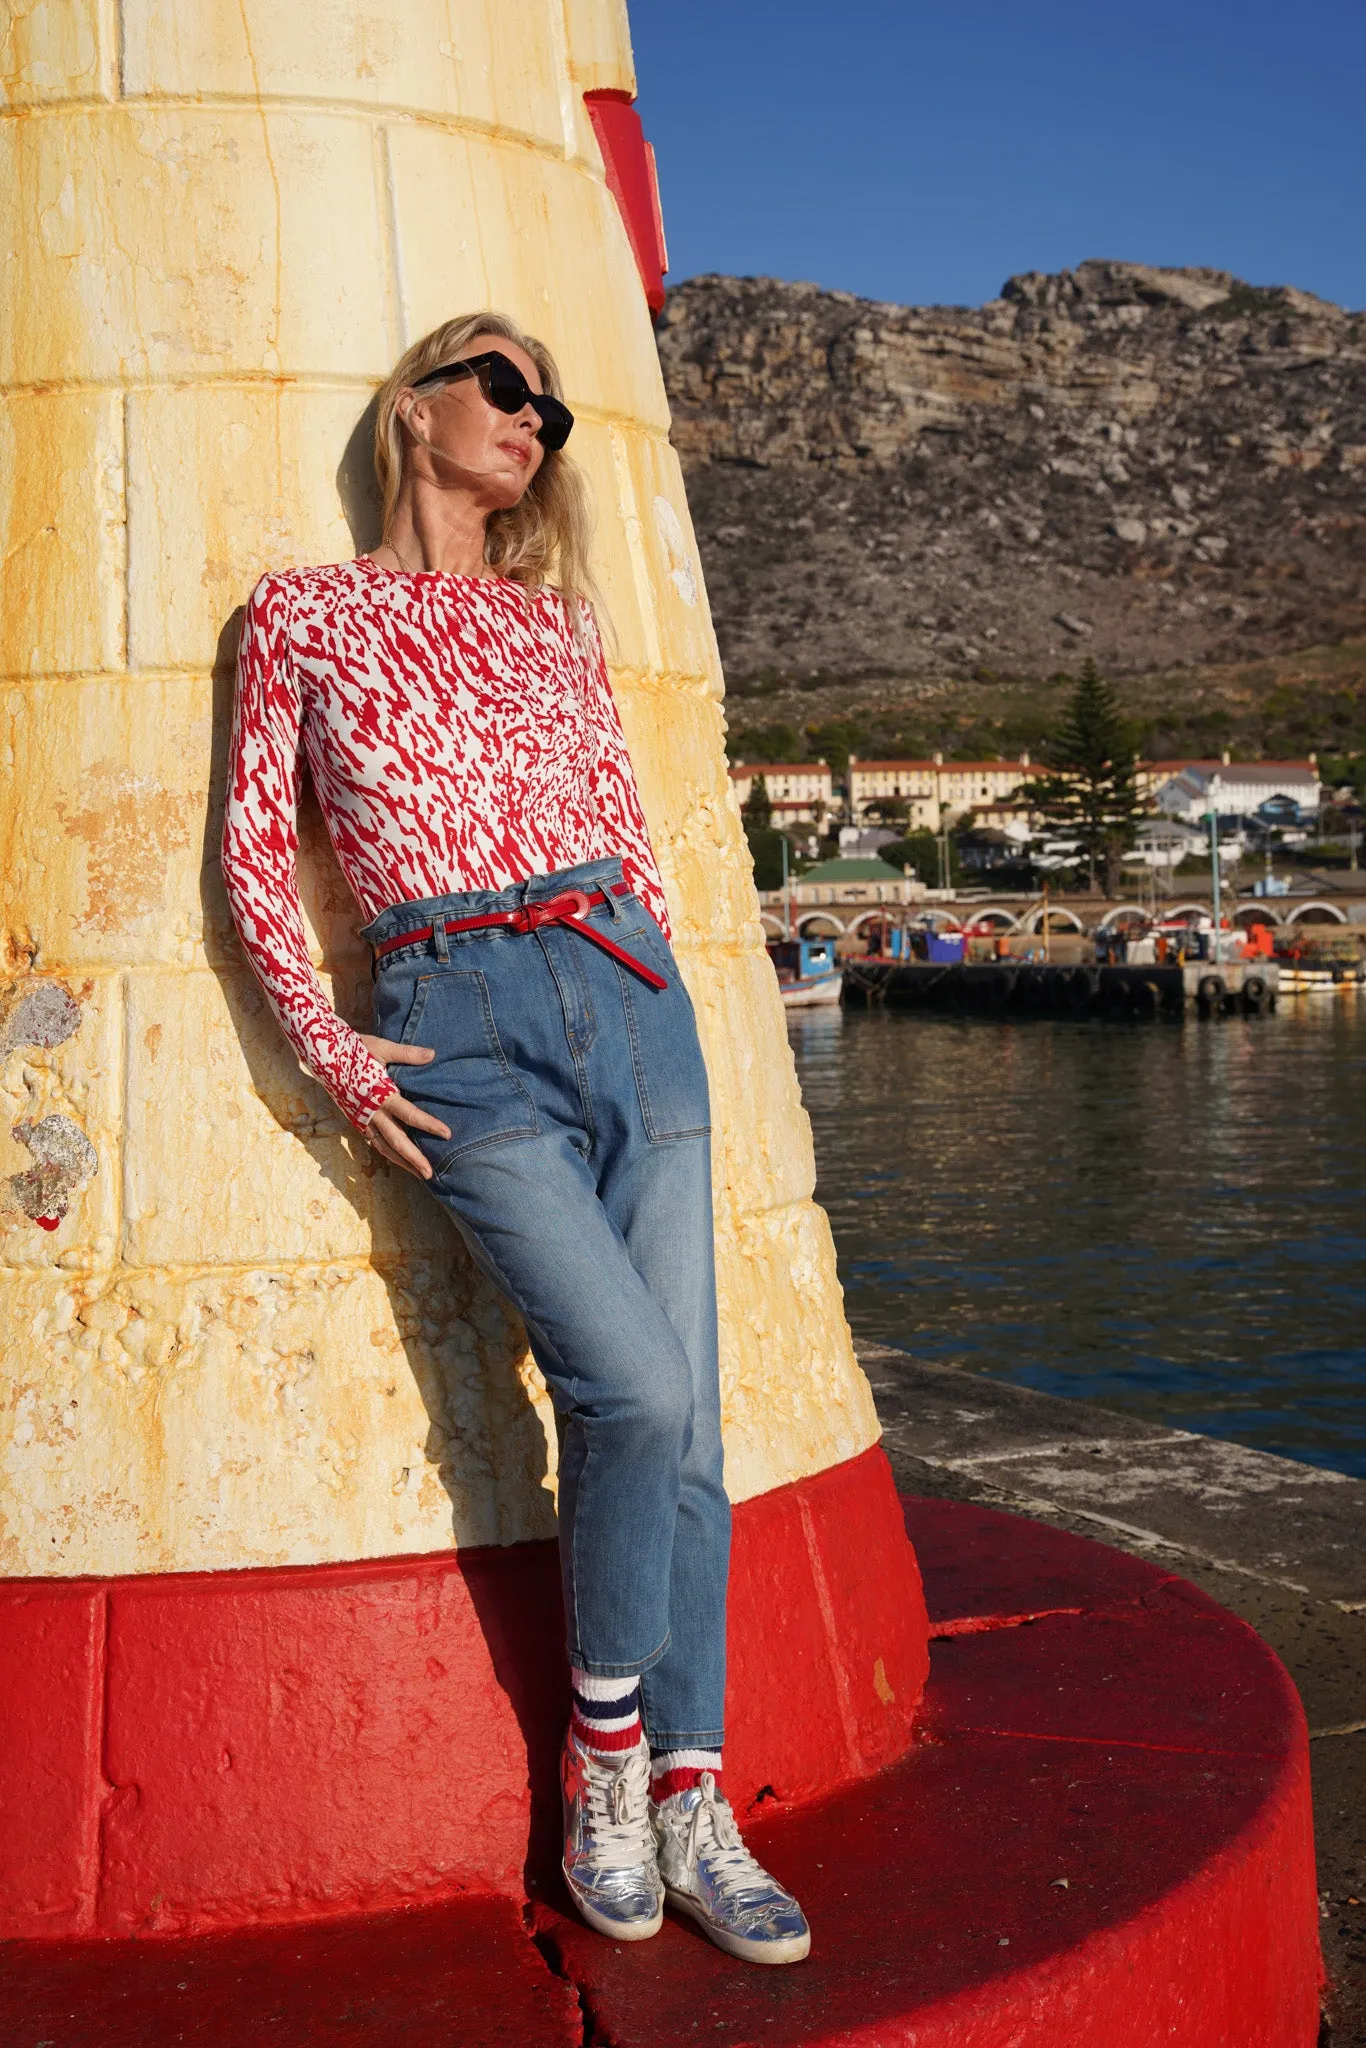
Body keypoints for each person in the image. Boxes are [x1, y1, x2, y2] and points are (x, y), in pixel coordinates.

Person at [221, 312, 809, 1967]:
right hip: (456, 1014)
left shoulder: (556, 631)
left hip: (631, 996)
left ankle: (696, 1797)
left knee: (688, 1434)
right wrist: (338, 1054)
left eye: (548, 405)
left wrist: (658, 979)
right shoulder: (303, 615)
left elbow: (622, 825)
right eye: (501, 386)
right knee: (633, 1389)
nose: (531, 420)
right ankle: (607, 1751)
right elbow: (255, 852)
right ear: (413, 409)